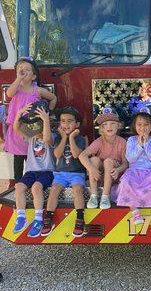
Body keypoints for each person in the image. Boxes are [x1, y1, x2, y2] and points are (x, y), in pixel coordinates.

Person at [116, 107, 151, 234]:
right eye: (139, 124)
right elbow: (130, 158)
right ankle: (135, 212)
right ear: (135, 126)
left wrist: (146, 144)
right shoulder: (132, 140)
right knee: (126, 182)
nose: (142, 127)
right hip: (134, 171)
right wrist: (139, 145)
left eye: (146, 124)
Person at [4, 57, 57, 180]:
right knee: (18, 158)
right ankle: (18, 184)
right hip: (17, 128)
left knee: (32, 156)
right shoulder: (16, 88)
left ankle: (32, 182)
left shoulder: (37, 90)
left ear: (33, 76)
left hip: (32, 129)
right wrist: (18, 78)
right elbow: (9, 94)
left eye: (27, 69)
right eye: (20, 69)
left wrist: (49, 112)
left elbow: (53, 98)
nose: (23, 71)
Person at [41, 106, 87, 237]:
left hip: (77, 173)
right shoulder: (57, 138)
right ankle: (48, 217)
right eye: (63, 121)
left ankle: (79, 217)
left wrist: (71, 138)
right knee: (54, 189)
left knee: (77, 189)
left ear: (77, 124)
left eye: (70, 121)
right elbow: (57, 154)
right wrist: (63, 138)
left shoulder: (80, 138)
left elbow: (76, 154)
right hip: (60, 173)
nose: (66, 124)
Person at [12, 101, 55, 237]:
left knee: (36, 188)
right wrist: (20, 112)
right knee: (18, 187)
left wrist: (46, 120)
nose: (36, 127)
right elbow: (16, 128)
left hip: (47, 171)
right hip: (31, 171)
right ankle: (21, 217)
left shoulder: (51, 136)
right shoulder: (30, 137)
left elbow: (47, 138)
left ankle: (38, 219)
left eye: (39, 123)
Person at [79, 106, 128, 209]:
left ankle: (105, 196)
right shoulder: (99, 141)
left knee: (108, 161)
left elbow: (125, 163)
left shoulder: (122, 142)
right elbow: (82, 155)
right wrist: (92, 169)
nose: (109, 126)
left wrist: (118, 170)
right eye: (105, 124)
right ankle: (94, 195)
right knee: (94, 159)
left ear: (119, 125)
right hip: (100, 176)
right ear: (101, 129)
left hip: (115, 175)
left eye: (112, 123)